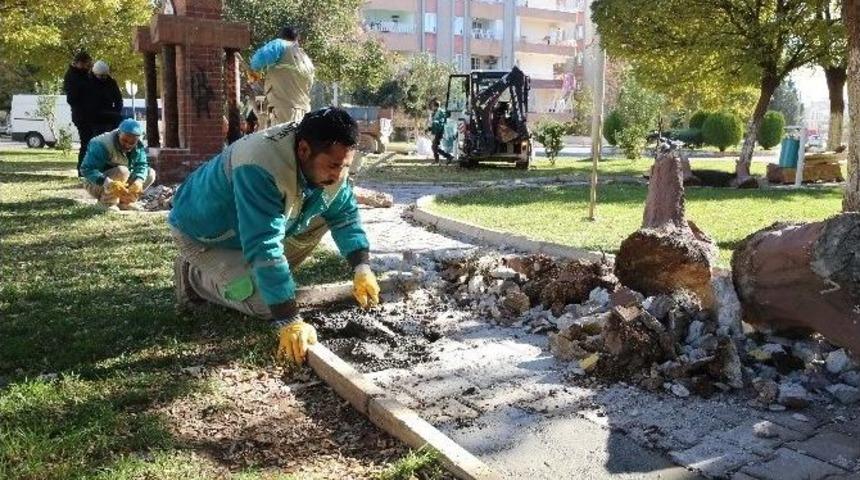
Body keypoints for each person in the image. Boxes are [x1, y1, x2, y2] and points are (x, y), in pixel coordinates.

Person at [168, 107, 380, 366]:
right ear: (303, 150)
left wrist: (361, 266)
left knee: (322, 216)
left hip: (247, 227)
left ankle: (263, 276)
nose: (338, 174)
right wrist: (289, 318)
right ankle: (192, 276)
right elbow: (263, 244)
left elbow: (344, 214)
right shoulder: (259, 165)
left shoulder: (327, 162)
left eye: (344, 165)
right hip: (205, 234)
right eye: (333, 165)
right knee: (267, 305)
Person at [80, 118, 156, 211]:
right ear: (119, 133)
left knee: (150, 173)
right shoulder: (101, 144)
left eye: (132, 143)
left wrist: (139, 181)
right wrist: (108, 182)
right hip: (95, 183)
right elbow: (86, 169)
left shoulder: (138, 146)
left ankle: (125, 202)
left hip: (121, 180)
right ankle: (106, 203)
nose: (127, 145)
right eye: (124, 140)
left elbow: (142, 165)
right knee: (122, 171)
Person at [249, 26, 315, 125]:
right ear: (297, 39)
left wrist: (255, 74)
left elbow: (256, 62)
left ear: (282, 37)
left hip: (283, 109)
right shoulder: (305, 58)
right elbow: (309, 85)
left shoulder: (280, 44)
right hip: (304, 111)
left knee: (280, 139)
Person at [63, 50, 93, 174]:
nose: (88, 67)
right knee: (86, 143)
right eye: (87, 64)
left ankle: (85, 169)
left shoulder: (82, 75)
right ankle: (82, 170)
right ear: (79, 63)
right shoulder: (73, 76)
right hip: (82, 116)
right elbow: (72, 98)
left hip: (85, 114)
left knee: (88, 143)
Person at [89, 60, 124, 135]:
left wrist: (117, 112)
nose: (104, 77)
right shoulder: (89, 82)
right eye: (101, 76)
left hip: (109, 115)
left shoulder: (111, 83)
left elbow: (118, 99)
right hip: (94, 117)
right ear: (95, 74)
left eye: (105, 75)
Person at [428, 99, 453, 164]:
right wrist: (430, 128)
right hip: (438, 130)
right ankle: (437, 159)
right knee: (434, 146)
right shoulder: (438, 112)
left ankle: (448, 156)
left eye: (432, 106)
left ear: (435, 106)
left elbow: (437, 123)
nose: (432, 107)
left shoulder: (439, 112)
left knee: (434, 147)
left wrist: (432, 129)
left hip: (438, 131)